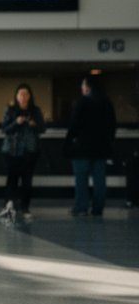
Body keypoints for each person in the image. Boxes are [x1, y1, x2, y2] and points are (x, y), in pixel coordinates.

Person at [65, 74, 117, 217]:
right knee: (99, 179)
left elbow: (74, 125)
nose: (82, 88)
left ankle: (81, 207)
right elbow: (112, 126)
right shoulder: (107, 102)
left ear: (87, 87)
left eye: (83, 85)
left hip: (82, 148)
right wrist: (109, 142)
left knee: (81, 179)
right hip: (101, 149)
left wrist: (69, 142)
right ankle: (98, 208)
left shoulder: (82, 102)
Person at [0, 83, 46, 221]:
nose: (23, 97)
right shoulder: (10, 110)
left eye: (26, 94)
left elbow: (43, 129)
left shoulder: (35, 111)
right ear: (17, 96)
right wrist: (16, 122)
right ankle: (8, 206)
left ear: (30, 96)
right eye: (21, 94)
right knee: (11, 179)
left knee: (27, 180)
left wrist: (34, 125)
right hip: (11, 150)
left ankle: (25, 207)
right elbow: (5, 129)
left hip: (30, 150)